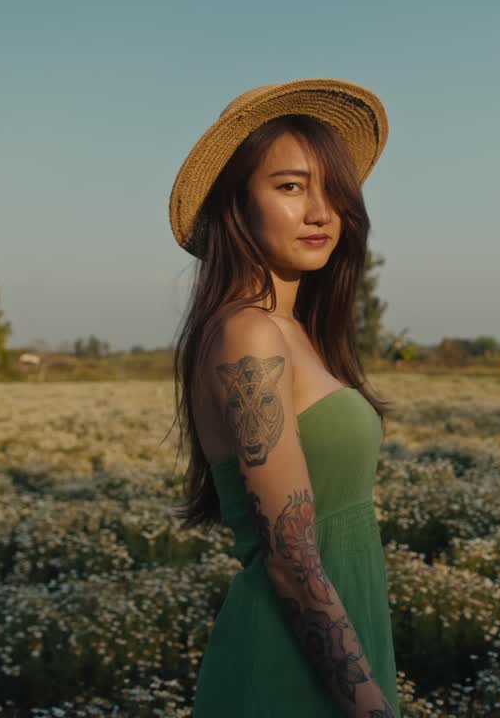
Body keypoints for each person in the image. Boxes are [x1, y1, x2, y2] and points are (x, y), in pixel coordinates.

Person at [167, 79, 398, 717]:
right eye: (291, 186)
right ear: (235, 202)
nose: (321, 211)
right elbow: (292, 562)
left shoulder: (295, 334)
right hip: (288, 670)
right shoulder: (249, 334)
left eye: (332, 189)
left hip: (336, 653)